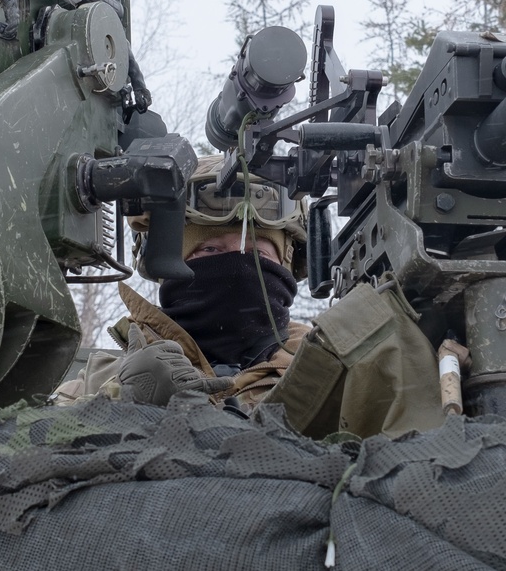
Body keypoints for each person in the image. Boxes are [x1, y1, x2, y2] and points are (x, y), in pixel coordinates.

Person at [54, 155, 449, 439]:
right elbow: (28, 468)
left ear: (288, 263)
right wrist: (121, 405)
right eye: (209, 251)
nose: (236, 266)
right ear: (164, 265)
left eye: (259, 255)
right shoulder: (99, 377)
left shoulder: (347, 371)